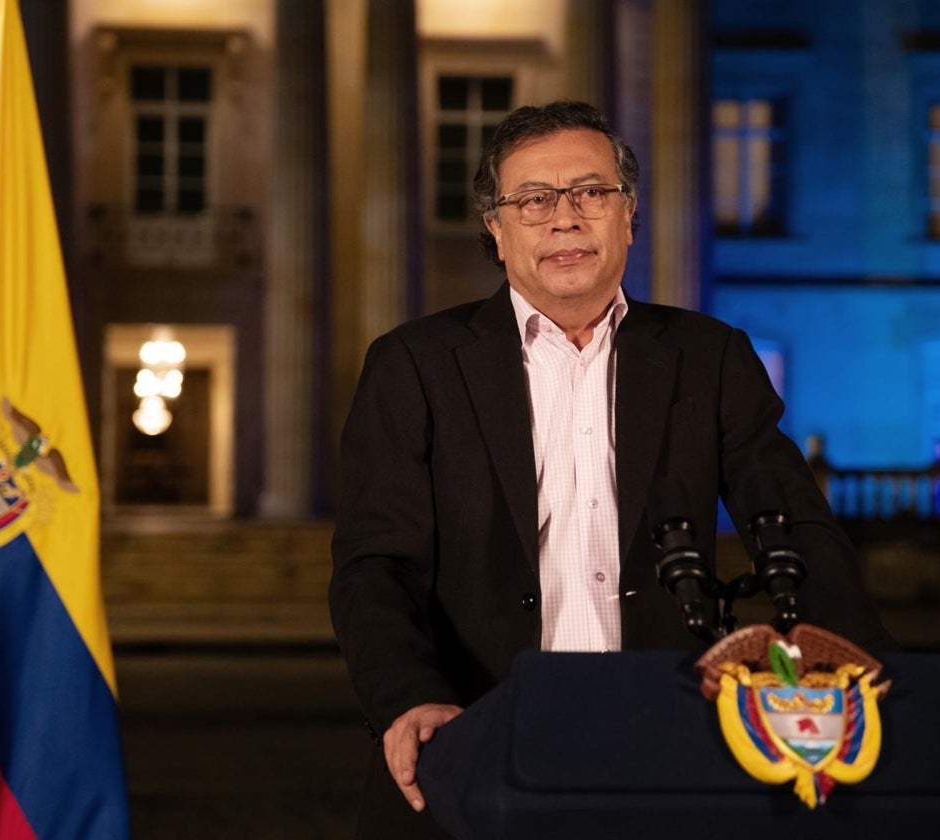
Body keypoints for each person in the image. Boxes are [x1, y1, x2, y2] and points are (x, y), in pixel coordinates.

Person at [329, 100, 894, 839]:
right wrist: (409, 700)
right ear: (495, 231)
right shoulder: (414, 364)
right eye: (533, 200)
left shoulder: (710, 356)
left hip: (666, 746)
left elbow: (797, 529)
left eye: (591, 193)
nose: (565, 219)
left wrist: (861, 680)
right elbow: (373, 566)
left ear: (629, 216)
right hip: (475, 738)